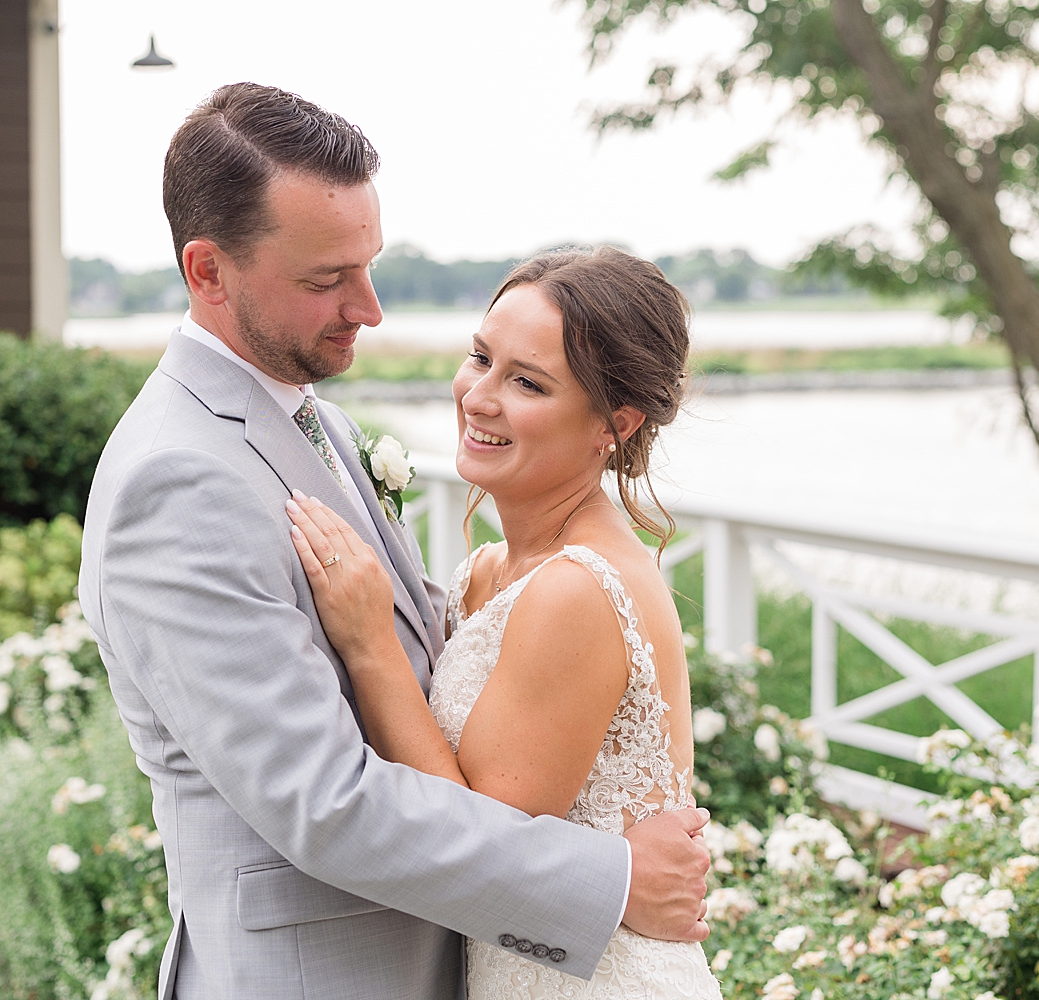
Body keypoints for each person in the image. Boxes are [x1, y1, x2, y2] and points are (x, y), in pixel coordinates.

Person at [78, 83, 711, 1000]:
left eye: (367, 266)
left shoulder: (317, 429)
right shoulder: (176, 479)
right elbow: (325, 804)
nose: (368, 308)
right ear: (209, 272)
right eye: (326, 280)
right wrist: (613, 880)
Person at [284, 245, 724, 999]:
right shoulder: (488, 571)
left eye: (527, 382)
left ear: (612, 424)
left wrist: (369, 642)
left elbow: (472, 839)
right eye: (480, 358)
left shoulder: (577, 589)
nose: (479, 397)